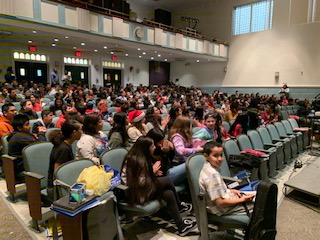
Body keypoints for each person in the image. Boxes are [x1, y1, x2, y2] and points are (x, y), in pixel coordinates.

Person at [121, 136, 196, 236]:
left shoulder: (141, 158)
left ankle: (181, 226)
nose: (154, 147)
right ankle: (180, 206)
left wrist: (153, 173)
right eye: (151, 146)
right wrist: (152, 171)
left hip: (143, 189)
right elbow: (138, 182)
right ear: (145, 148)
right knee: (167, 180)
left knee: (168, 193)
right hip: (136, 193)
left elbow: (144, 178)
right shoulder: (135, 160)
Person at [199, 141, 255, 216]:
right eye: (215, 156)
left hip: (227, 198)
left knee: (257, 194)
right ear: (206, 156)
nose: (220, 159)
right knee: (259, 204)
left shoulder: (207, 167)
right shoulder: (212, 175)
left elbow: (218, 191)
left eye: (221, 155)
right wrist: (242, 200)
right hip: (222, 209)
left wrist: (231, 191)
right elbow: (220, 203)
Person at [47, 120, 83, 191]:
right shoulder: (64, 149)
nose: (82, 132)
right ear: (74, 133)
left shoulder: (65, 144)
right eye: (80, 130)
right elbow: (57, 172)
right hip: (56, 189)